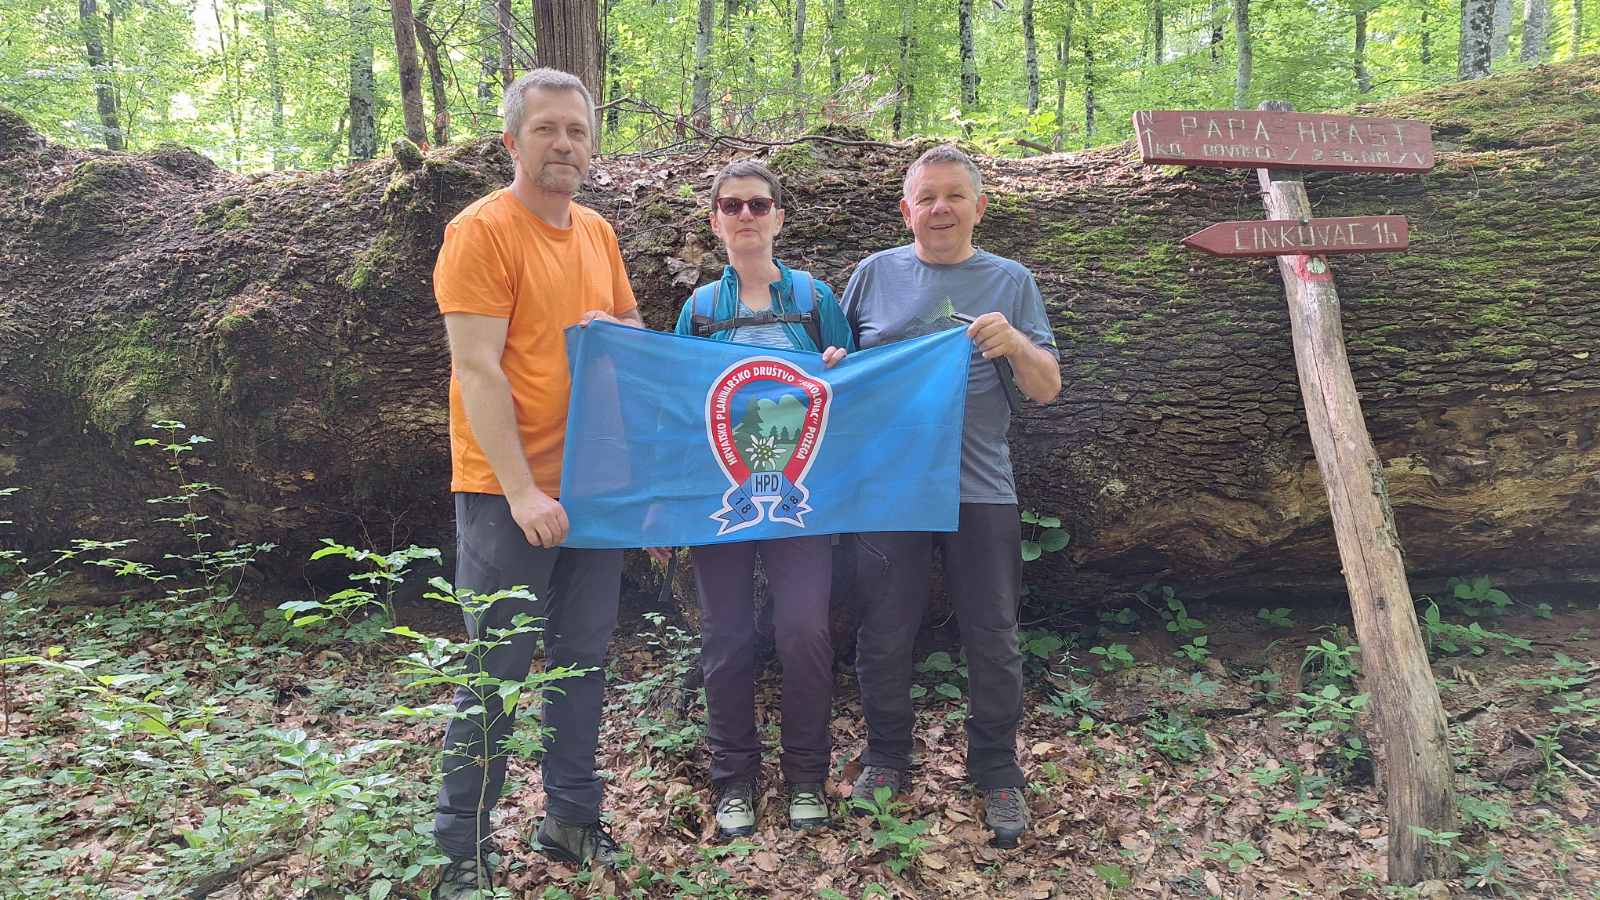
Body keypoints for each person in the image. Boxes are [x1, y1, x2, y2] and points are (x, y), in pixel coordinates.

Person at [429, 68, 644, 898]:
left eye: (577, 130)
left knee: (583, 661)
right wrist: (523, 493)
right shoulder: (481, 231)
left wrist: (612, 329)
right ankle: (462, 849)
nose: (564, 144)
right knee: (500, 669)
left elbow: (629, 328)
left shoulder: (596, 231)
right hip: (505, 492)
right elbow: (477, 369)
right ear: (512, 141)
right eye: (547, 128)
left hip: (593, 486)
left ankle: (571, 819)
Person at [840, 144, 1062, 849]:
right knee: (884, 630)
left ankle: (996, 769)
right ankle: (886, 756)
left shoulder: (1010, 280)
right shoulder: (873, 276)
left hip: (980, 486)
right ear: (906, 210)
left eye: (954, 196)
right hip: (889, 487)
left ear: (979, 207)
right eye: (927, 197)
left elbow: (1047, 387)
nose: (940, 208)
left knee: (992, 633)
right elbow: (835, 379)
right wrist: (835, 362)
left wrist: (1015, 343)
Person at [660, 159, 854, 839]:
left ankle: (805, 776)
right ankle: (734, 781)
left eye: (758, 205)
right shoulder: (699, 310)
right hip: (723, 500)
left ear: (778, 217)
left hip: (803, 499)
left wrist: (838, 368)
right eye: (732, 205)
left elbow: (857, 396)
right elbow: (679, 406)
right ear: (715, 221)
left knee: (804, 632)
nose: (746, 215)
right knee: (726, 636)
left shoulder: (814, 300)